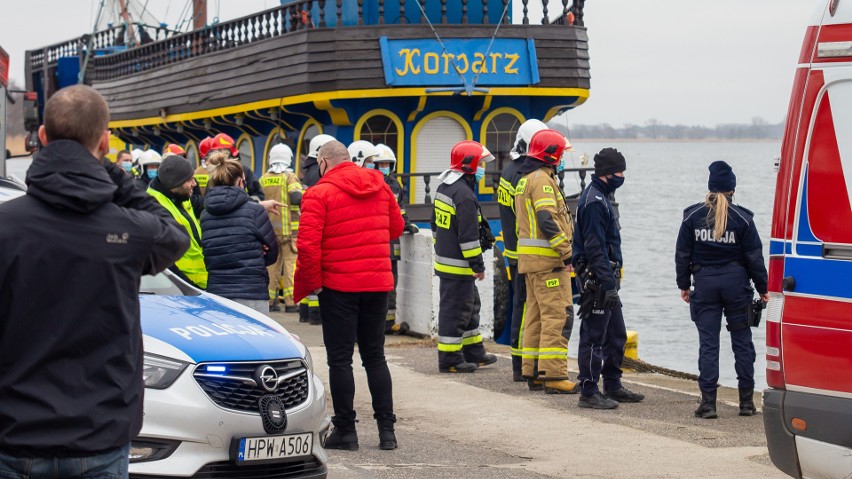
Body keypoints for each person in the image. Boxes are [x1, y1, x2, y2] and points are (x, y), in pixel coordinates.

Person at [0, 85, 189, 477]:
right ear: (104, 141)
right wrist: (115, 177)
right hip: (98, 437)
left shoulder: (6, 226)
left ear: (43, 138)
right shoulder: (127, 229)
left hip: (14, 437)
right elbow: (174, 234)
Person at [294, 140, 403, 451]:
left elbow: (308, 246)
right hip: (378, 284)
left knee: (340, 360)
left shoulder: (319, 193)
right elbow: (395, 227)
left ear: (324, 163)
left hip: (339, 287)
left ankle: (346, 430)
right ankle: (387, 431)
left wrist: (314, 284)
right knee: (375, 356)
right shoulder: (380, 186)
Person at [675, 161, 768, 419]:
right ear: (732, 189)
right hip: (736, 284)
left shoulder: (692, 217)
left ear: (710, 188)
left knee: (708, 344)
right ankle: (747, 403)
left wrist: (684, 285)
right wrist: (763, 288)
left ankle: (708, 405)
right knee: (742, 342)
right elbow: (754, 258)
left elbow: (682, 254)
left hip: (704, 284)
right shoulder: (743, 220)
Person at [573, 147, 645, 409]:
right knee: (593, 336)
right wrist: (606, 282)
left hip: (607, 278)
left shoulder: (602, 197)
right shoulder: (593, 202)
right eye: (619, 171)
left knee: (616, 334)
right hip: (597, 279)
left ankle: (612, 385)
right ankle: (589, 392)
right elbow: (594, 248)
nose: (622, 176)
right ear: (606, 173)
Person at [514, 129, 580, 394]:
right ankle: (554, 375)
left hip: (532, 263)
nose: (563, 158)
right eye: (562, 153)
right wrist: (567, 252)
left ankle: (534, 371)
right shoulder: (542, 180)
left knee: (536, 317)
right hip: (548, 262)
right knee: (558, 317)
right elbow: (547, 220)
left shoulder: (527, 178)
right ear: (551, 155)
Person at [431, 140, 498, 374]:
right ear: (469, 165)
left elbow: (434, 225)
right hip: (459, 265)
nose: (483, 169)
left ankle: (473, 351)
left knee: (470, 307)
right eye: (480, 164)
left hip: (448, 262)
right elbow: (468, 237)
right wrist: (477, 265)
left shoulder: (445, 187)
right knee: (456, 311)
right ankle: (450, 359)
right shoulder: (464, 195)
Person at [497, 118, 548, 382]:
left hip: (514, 251)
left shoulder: (508, 171)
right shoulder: (525, 175)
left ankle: (519, 365)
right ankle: (525, 366)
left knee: (521, 307)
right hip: (528, 253)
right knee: (530, 310)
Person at [201, 152, 279, 314]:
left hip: (218, 292)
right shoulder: (255, 211)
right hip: (251, 291)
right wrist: (256, 253)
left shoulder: (205, 214)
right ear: (239, 182)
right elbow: (272, 252)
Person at [147, 154, 209, 290]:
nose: (194, 184)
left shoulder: (180, 196)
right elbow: (165, 263)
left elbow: (209, 204)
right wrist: (188, 288)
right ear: (175, 183)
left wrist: (260, 205)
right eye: (190, 180)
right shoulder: (155, 208)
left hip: (198, 285)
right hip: (183, 289)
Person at [374, 144, 418, 334]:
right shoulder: (374, 183)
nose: (384, 166)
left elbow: (399, 209)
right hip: (379, 239)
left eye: (387, 163)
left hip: (392, 241)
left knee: (392, 282)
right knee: (379, 283)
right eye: (380, 163)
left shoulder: (394, 185)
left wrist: (407, 224)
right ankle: (378, 322)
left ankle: (387, 322)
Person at [260, 144, 303, 313]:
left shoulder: (263, 178)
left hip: (269, 232)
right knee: (291, 266)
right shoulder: (289, 177)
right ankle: (291, 302)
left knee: (272, 266)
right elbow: (296, 197)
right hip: (290, 232)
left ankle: (270, 301)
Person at [298, 133, 335, 324]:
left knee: (305, 269)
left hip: (305, 223)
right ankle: (314, 315)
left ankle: (305, 313)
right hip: (316, 225)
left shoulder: (308, 170)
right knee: (314, 268)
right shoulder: (317, 173)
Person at [209, 132, 265, 200]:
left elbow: (259, 195)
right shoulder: (213, 173)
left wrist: (247, 204)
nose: (221, 155)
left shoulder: (245, 171)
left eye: (225, 152)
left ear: (231, 153)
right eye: (217, 152)